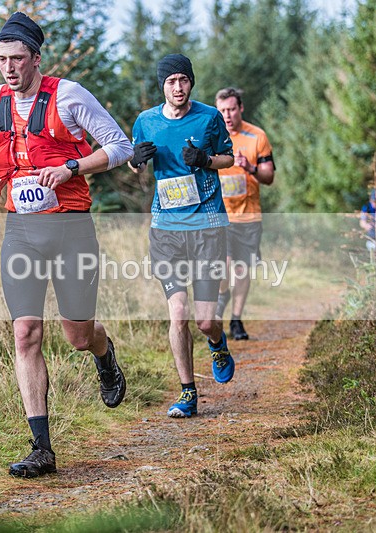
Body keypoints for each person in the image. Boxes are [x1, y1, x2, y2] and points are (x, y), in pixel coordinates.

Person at [0, 12, 133, 478]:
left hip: (70, 229)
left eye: (17, 58)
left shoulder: (70, 95)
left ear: (36, 58)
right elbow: (12, 156)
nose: (8, 68)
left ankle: (105, 354)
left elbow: (119, 147)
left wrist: (73, 169)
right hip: (21, 229)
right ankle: (41, 447)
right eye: (1, 59)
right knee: (25, 333)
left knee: (77, 336)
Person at [129, 54, 235, 419]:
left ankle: (217, 343)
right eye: (171, 81)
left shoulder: (208, 117)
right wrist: (135, 159)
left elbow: (229, 159)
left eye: (184, 80)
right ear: (163, 84)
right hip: (166, 231)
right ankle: (187, 392)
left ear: (191, 83)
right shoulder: (146, 121)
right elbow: (134, 160)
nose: (178, 87)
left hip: (206, 226)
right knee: (178, 314)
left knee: (205, 321)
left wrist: (205, 159)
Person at [213, 87, 276, 340]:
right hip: (220, 214)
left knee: (242, 270)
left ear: (240, 108)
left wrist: (250, 167)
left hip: (249, 216)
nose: (227, 115)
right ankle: (221, 295)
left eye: (231, 109)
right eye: (222, 110)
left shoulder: (257, 136)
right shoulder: (212, 136)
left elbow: (269, 176)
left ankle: (236, 319)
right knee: (224, 265)